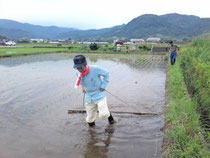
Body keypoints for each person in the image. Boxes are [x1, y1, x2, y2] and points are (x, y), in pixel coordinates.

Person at [73, 55, 115, 127]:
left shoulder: (95, 69)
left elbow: (106, 73)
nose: (80, 69)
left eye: (81, 67)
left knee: (104, 114)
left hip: (99, 93)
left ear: (85, 64)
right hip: (89, 96)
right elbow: (80, 81)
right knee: (90, 118)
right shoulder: (77, 73)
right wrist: (83, 88)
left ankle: (111, 119)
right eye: (77, 68)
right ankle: (92, 132)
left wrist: (103, 85)